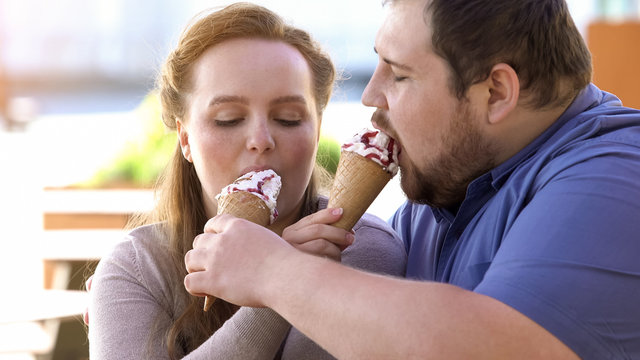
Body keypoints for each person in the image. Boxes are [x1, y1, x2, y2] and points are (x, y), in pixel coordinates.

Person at [184, 0, 640, 359]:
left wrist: (272, 271)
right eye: (377, 64)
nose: (370, 96)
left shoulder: (616, 172)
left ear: (496, 92)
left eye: (398, 75)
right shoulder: (435, 196)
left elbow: (502, 349)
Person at [88, 3, 406, 359]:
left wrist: (287, 276)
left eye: (288, 118)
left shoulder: (359, 247)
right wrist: (285, 281)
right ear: (186, 139)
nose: (261, 139)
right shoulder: (136, 267)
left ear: (316, 132)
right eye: (228, 119)